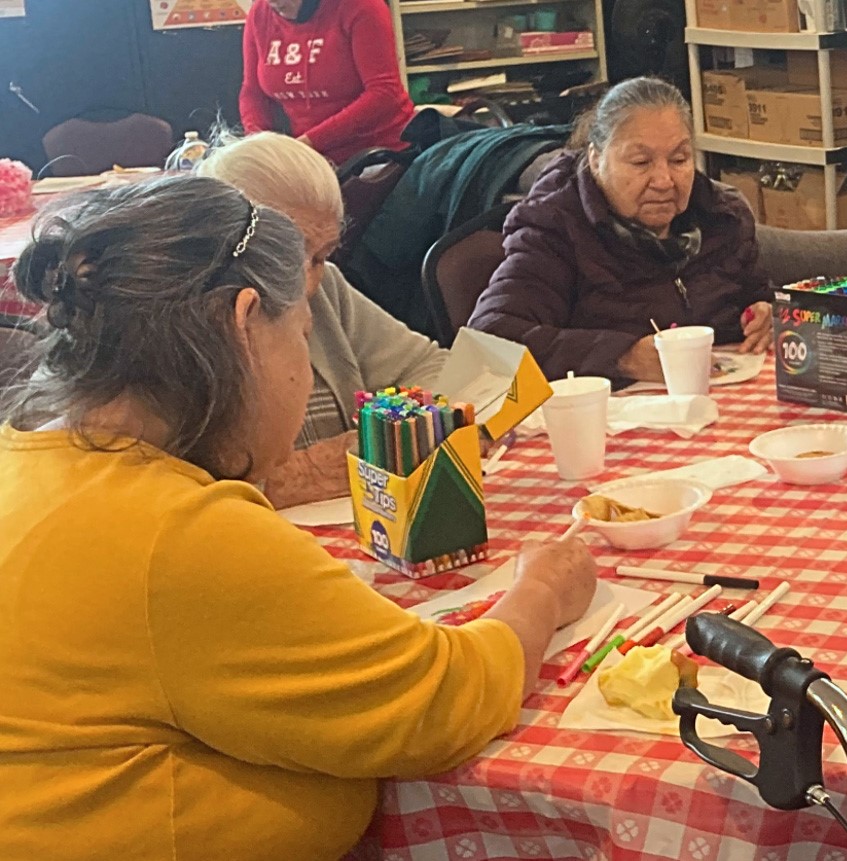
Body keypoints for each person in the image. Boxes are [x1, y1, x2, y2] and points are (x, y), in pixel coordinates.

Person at [0, 175, 597, 860]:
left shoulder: (25, 460)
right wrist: (543, 589)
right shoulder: (180, 530)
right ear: (246, 322)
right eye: (303, 334)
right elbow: (445, 700)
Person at [195, 131, 447, 509]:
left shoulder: (328, 288)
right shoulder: (184, 323)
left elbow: (432, 367)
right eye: (287, 253)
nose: (307, 282)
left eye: (321, 256)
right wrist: (297, 476)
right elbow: (164, 487)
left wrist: (391, 432)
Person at [469, 77, 772, 383]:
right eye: (641, 162)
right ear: (596, 160)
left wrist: (766, 316)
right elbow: (489, 339)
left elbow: (758, 298)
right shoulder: (556, 227)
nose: (665, 180)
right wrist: (622, 357)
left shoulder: (722, 218)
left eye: (679, 159)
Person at [238, 0, 415, 164]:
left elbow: (385, 93)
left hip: (379, 152)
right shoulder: (260, 12)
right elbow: (253, 92)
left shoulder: (362, 6)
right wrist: (258, 145)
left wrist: (308, 143)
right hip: (311, 156)